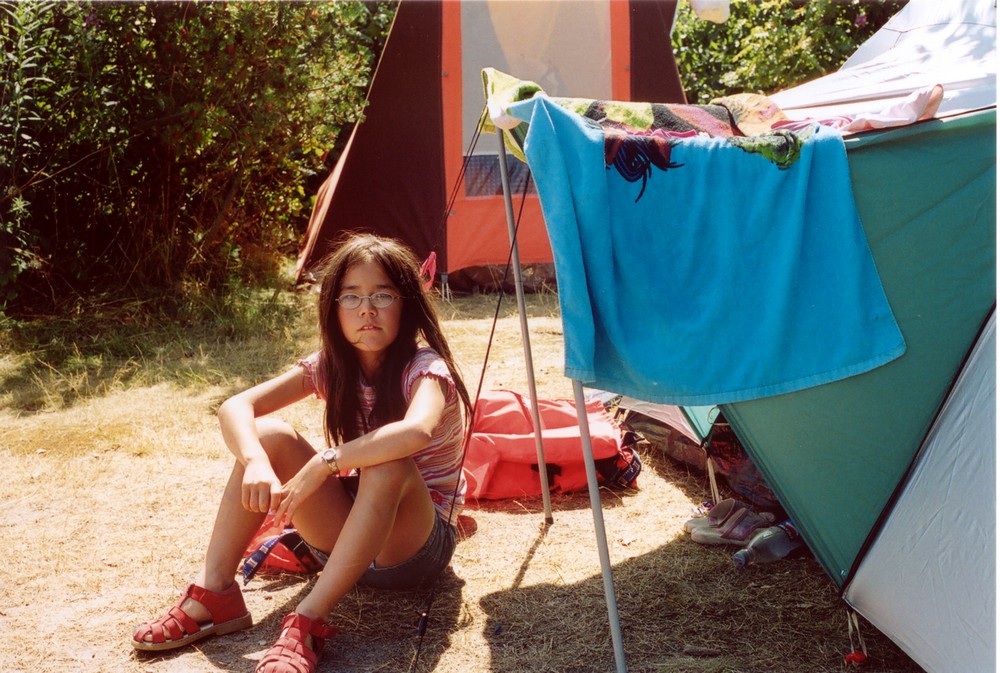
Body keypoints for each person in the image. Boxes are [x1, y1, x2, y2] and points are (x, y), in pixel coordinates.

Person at [132, 233, 473, 673]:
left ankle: (308, 621)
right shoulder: (333, 365)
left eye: (383, 295)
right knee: (269, 435)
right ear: (333, 308)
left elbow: (416, 432)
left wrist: (325, 462)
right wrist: (255, 461)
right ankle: (215, 594)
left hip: (414, 551)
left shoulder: (426, 369)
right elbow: (236, 406)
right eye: (351, 296)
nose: (366, 309)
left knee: (387, 460)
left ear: (407, 306)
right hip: (347, 542)